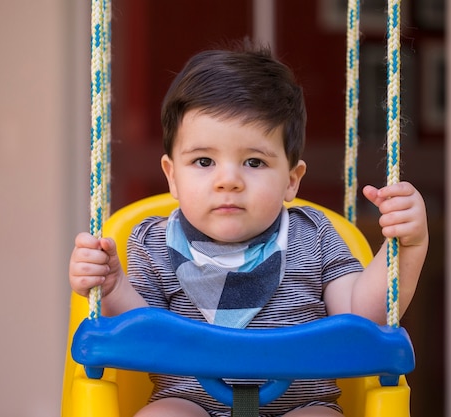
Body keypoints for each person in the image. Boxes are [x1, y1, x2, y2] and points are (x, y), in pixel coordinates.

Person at [69, 42, 428, 417]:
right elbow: (140, 334)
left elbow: (362, 318)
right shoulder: (153, 243)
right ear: (172, 176)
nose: (229, 181)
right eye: (204, 161)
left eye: (254, 162)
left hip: (301, 407)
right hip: (189, 405)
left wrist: (404, 247)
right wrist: (111, 287)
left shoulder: (315, 237)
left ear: (291, 180)